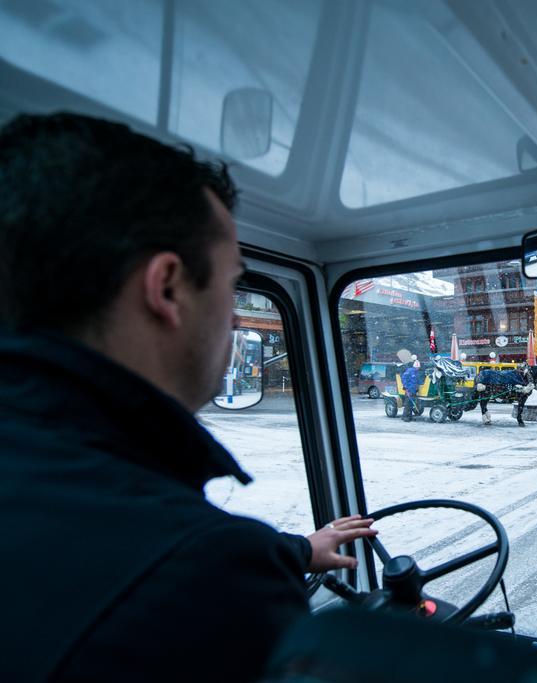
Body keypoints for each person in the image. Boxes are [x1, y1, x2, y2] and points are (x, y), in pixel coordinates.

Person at [0, 113, 378, 682]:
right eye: (232, 286)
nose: (233, 316)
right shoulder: (205, 580)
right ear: (169, 288)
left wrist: (297, 551)